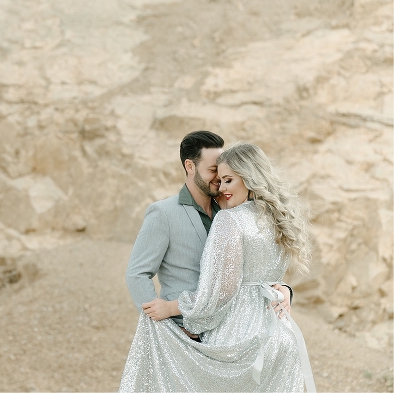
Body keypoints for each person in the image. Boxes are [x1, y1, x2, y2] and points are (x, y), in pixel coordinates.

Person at [119, 142, 315, 392]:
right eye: (215, 174)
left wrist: (172, 308)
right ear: (190, 166)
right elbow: (137, 273)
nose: (220, 186)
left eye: (226, 179)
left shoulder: (230, 216)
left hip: (235, 339)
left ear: (248, 176)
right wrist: (163, 324)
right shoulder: (276, 217)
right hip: (278, 335)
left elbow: (226, 287)